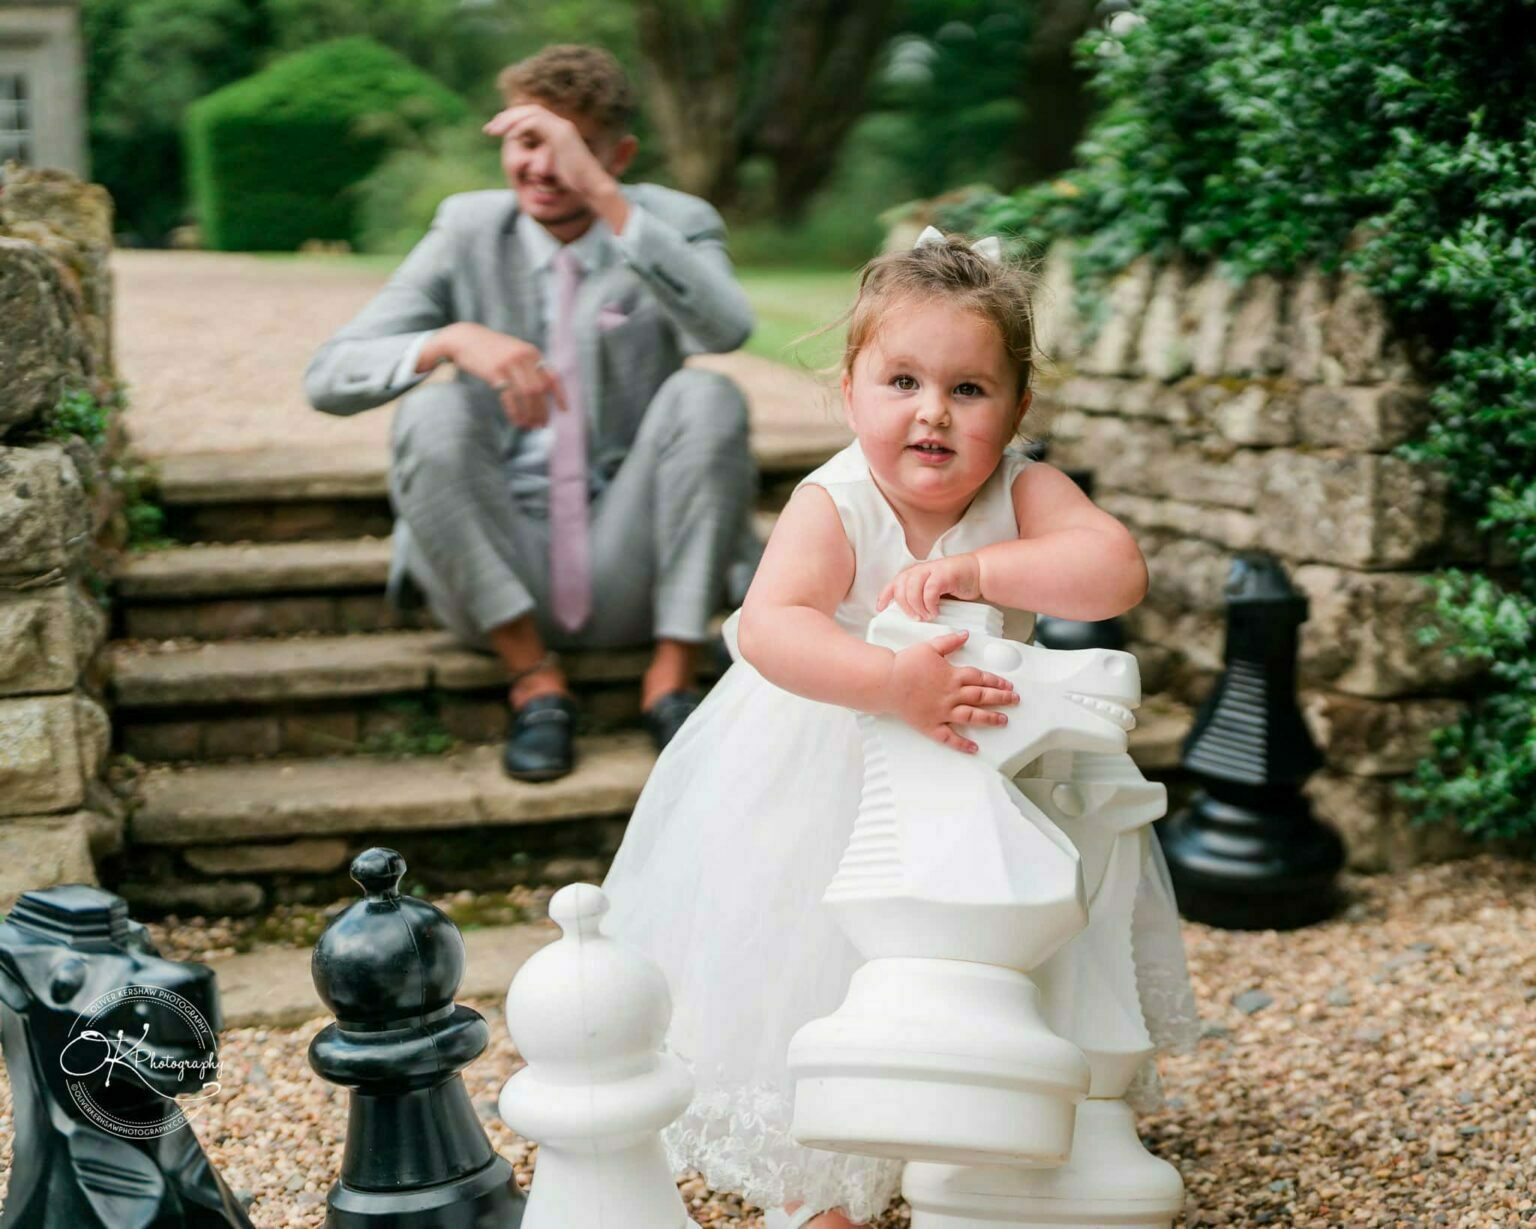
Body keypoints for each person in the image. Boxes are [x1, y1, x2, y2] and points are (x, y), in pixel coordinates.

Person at [599, 228, 1200, 1229]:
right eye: (903, 380)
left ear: (1017, 408)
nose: (933, 411)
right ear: (851, 389)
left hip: (990, 767)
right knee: (811, 954)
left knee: (1005, 947)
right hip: (828, 757)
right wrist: (890, 681)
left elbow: (1113, 568)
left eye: (970, 389)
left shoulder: (1021, 488)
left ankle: (976, 1125)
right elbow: (770, 626)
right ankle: (809, 1173)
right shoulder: (834, 500)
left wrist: (980, 572)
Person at [305, 45, 758, 782]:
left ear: (618, 153)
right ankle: (535, 684)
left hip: (636, 561)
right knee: (434, 410)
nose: (544, 169)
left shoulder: (674, 222)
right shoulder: (465, 229)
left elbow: (727, 330)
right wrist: (448, 339)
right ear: (503, 142)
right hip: (492, 570)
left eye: (568, 147)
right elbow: (327, 378)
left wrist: (610, 202)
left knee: (708, 395)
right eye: (527, 141)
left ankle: (671, 678)